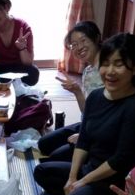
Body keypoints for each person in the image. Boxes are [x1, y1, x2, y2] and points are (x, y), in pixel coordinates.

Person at [34, 32, 135, 195]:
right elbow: (84, 141)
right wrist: (72, 178)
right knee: (42, 171)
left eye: (119, 64)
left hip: (113, 182)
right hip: (90, 168)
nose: (110, 71)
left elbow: (120, 160)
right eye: (106, 64)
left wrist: (83, 182)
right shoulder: (96, 96)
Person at [38, 21, 103, 163]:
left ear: (97, 38)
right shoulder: (88, 71)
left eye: (83, 41)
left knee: (54, 159)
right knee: (43, 144)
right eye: (74, 45)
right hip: (86, 125)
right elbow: (87, 111)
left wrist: (84, 137)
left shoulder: (107, 71)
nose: (79, 47)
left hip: (100, 133)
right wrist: (77, 92)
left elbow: (109, 117)